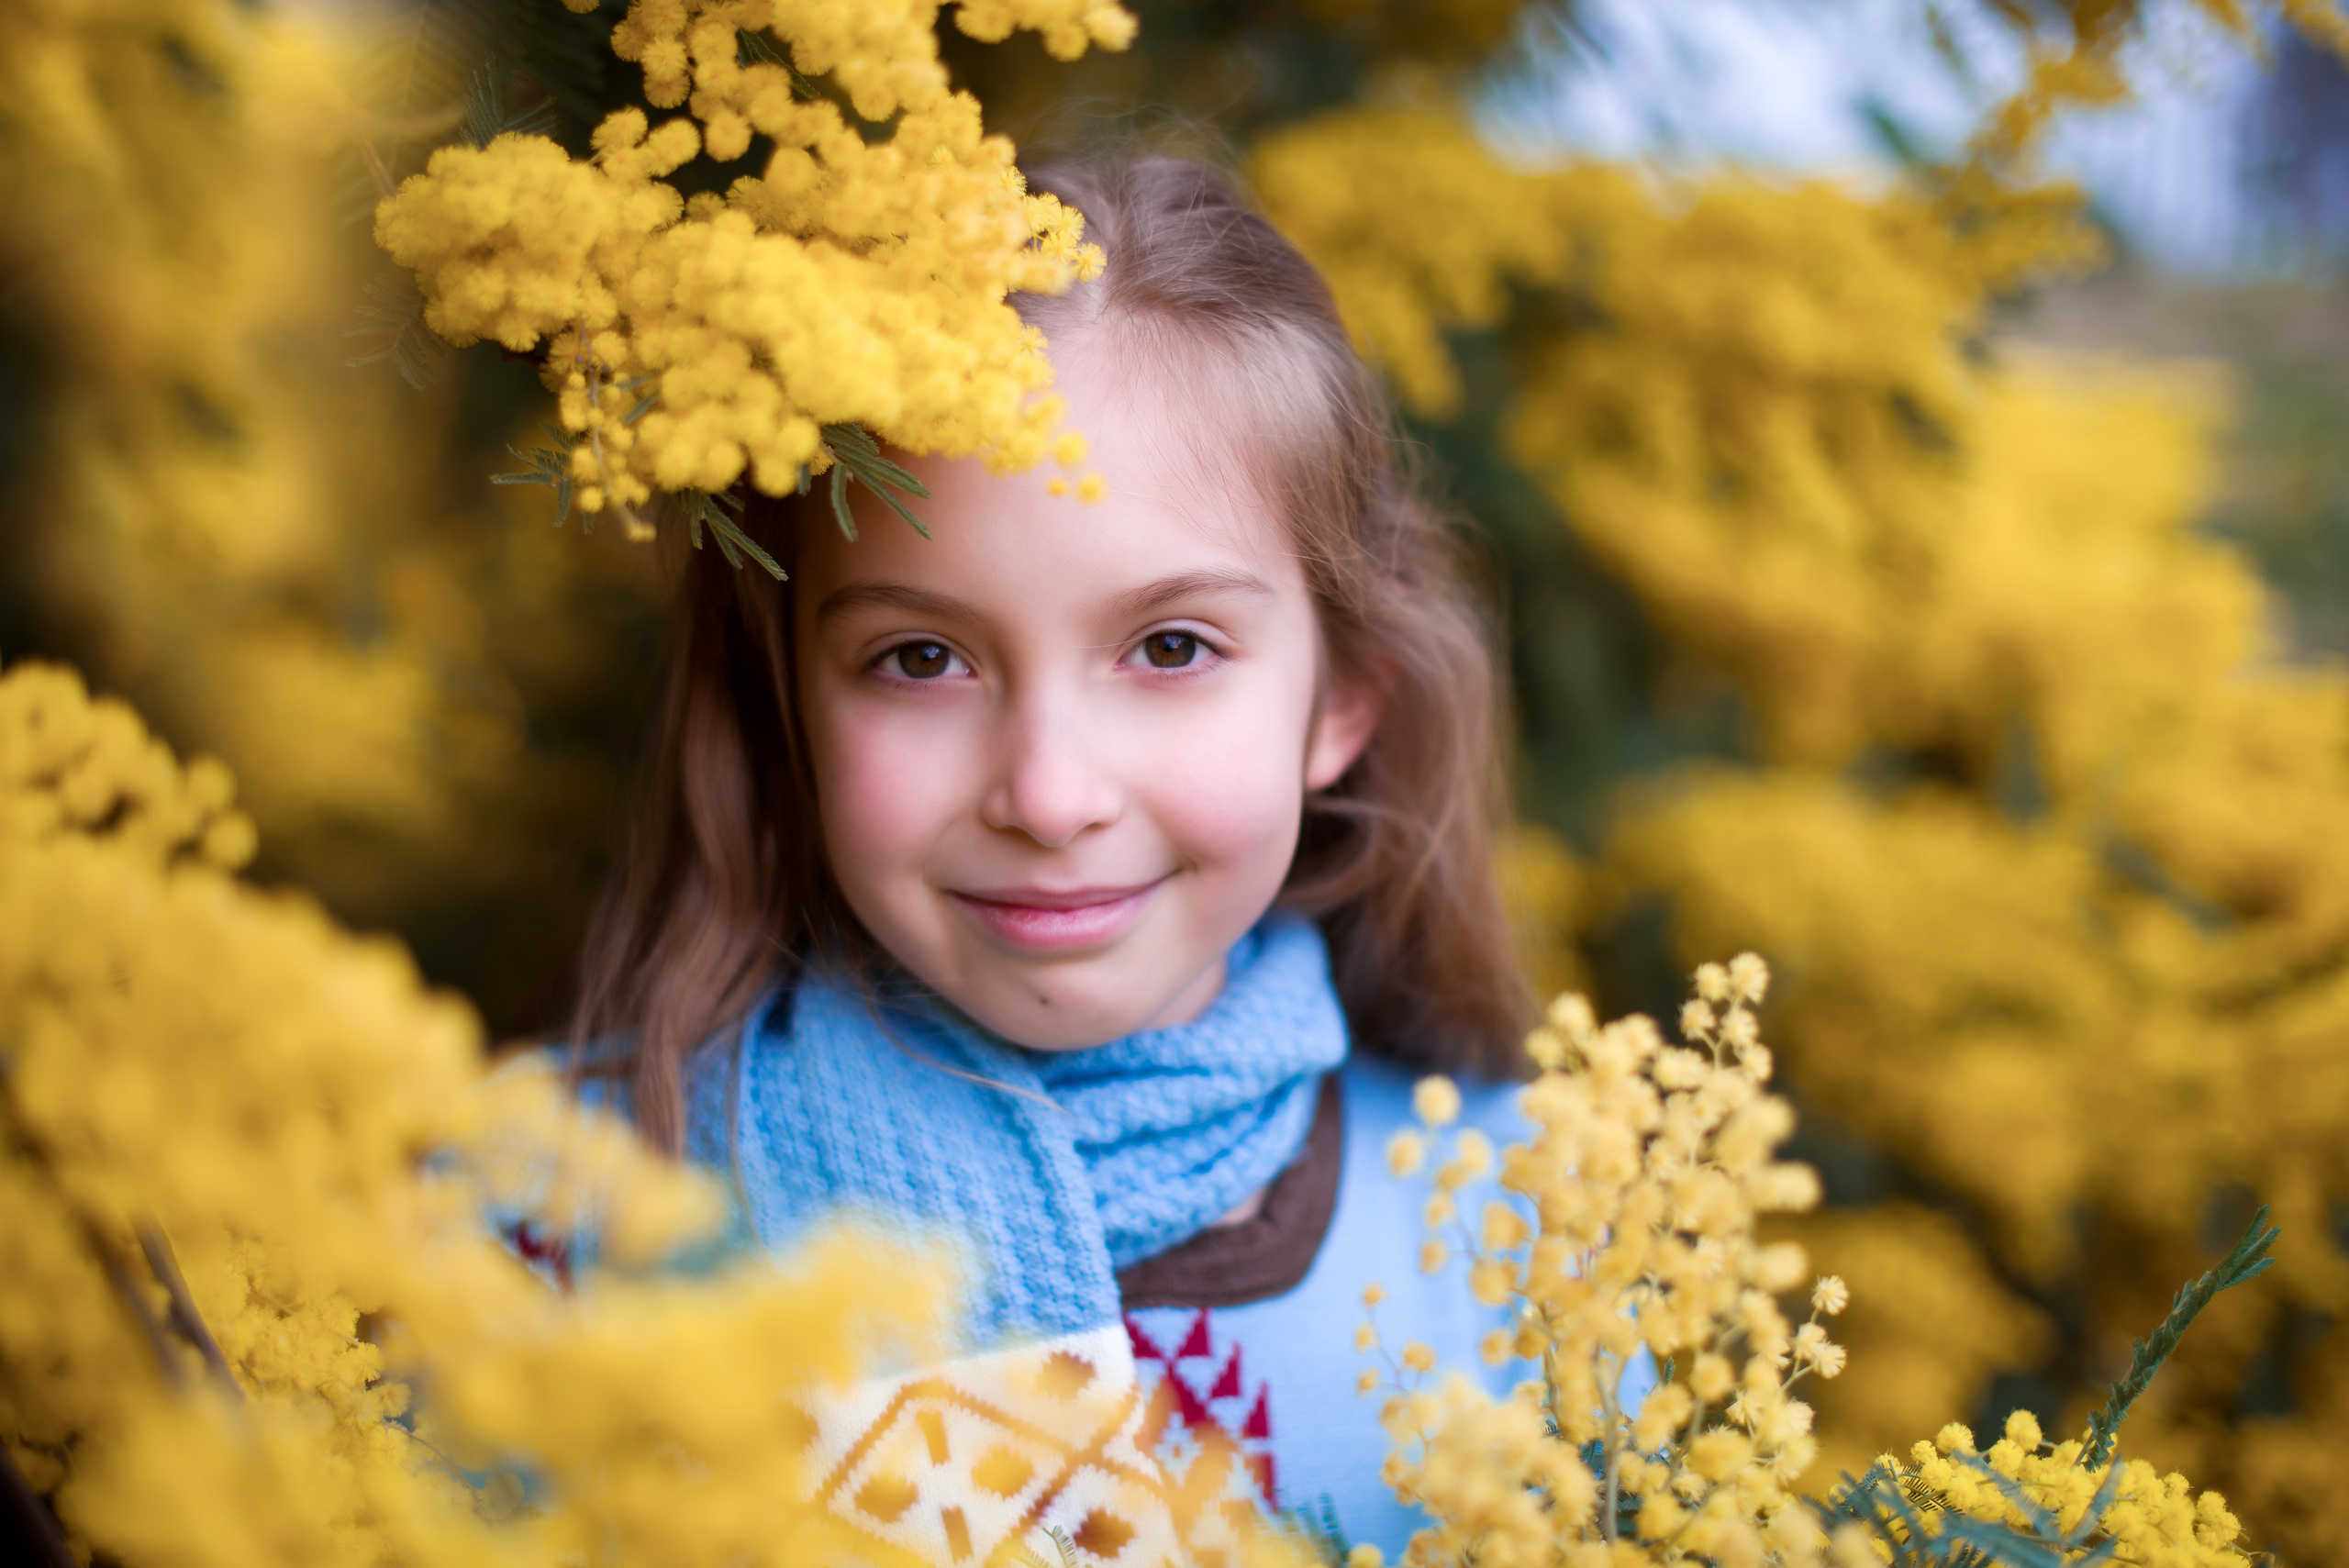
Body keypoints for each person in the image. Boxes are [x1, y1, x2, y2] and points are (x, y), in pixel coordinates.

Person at [562, 156, 1642, 1560]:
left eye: (1172, 647)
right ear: (789, 700)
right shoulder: (554, 1206)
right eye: (922, 656)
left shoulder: (1539, 1240)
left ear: (1342, 700)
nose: (1050, 793)